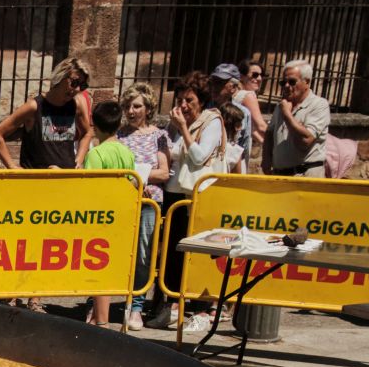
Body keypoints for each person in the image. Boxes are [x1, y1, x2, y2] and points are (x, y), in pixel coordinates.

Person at [157, 71, 227, 332]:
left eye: (189, 100)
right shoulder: (174, 123)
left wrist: (184, 129)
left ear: (201, 101)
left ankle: (199, 308)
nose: (183, 105)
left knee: (197, 252)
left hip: (197, 195)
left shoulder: (212, 122)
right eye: (180, 100)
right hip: (175, 193)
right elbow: (170, 150)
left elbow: (198, 156)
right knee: (173, 250)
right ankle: (174, 304)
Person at [115, 82, 171, 330]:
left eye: (136, 106)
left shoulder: (159, 136)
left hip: (150, 202)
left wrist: (138, 175)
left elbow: (164, 172)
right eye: (127, 106)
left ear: (148, 108)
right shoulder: (119, 135)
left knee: (143, 253)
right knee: (117, 251)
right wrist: (139, 176)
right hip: (124, 199)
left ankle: (136, 305)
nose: (131, 110)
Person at [79, 99, 136, 327]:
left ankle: (101, 321)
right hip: (121, 216)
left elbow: (91, 189)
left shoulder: (96, 154)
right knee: (108, 266)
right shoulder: (126, 152)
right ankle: (98, 317)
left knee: (99, 269)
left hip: (101, 218)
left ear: (94, 125)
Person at [0, 57, 93, 171]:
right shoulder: (34, 107)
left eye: (82, 86)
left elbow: (87, 133)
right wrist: (11, 166)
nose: (77, 89)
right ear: (61, 76)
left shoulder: (76, 105)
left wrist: (78, 161)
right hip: (37, 182)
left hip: (65, 180)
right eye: (74, 83)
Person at [264, 59, 331, 178]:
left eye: (292, 81)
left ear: (307, 82)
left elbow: (306, 140)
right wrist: (266, 160)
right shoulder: (282, 105)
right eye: (283, 82)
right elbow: (269, 133)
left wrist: (287, 114)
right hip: (279, 176)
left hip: (304, 175)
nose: (286, 86)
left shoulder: (319, 105)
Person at [238, 60, 269, 167]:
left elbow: (251, 129)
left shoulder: (235, 94)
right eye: (255, 75)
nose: (259, 79)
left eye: (262, 75)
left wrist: (265, 142)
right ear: (242, 76)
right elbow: (261, 126)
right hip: (240, 147)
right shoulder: (248, 96)